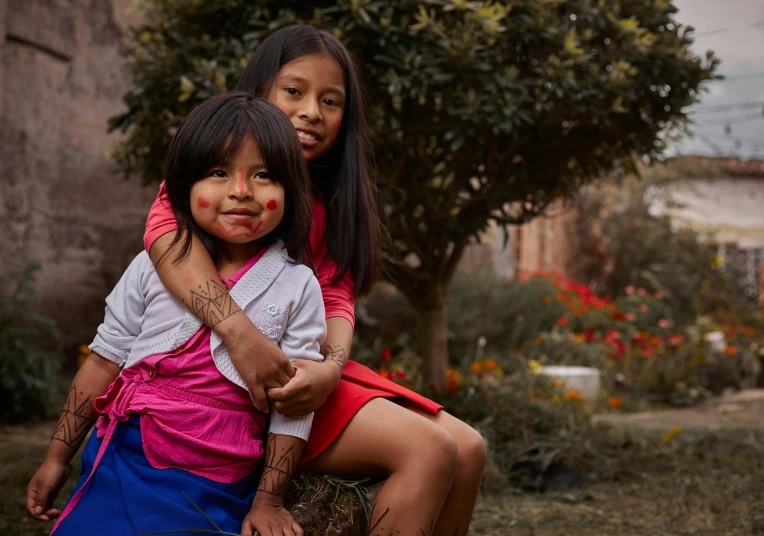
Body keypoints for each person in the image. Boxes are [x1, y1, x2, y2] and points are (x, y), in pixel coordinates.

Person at [144, 25, 487, 535]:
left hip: (302, 369)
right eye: (294, 91)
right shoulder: (208, 173)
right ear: (258, 91)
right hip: (222, 376)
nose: (311, 111)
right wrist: (242, 335)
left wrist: (330, 369)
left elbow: (336, 295)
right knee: (429, 449)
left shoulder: (326, 202)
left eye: (331, 100)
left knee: (471, 448)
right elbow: (168, 247)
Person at [26, 92, 324, 536]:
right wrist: (56, 457)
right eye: (219, 172)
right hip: (123, 462)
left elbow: (292, 407)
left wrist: (268, 501)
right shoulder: (151, 266)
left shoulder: (298, 285)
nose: (241, 191)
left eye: (263, 175)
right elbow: (105, 359)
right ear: (183, 184)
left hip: (219, 483)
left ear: (290, 190)